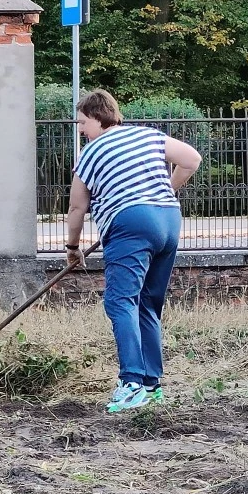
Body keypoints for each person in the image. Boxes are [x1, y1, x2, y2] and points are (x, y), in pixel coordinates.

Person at [64, 89, 202, 413]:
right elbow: (191, 160)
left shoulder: (91, 153)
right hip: (168, 220)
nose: (81, 130)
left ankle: (131, 384)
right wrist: (162, 191)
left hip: (130, 223)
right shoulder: (148, 136)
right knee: (147, 305)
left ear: (98, 118)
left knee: (119, 301)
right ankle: (152, 386)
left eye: (82, 122)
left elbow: (76, 207)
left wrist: (72, 248)